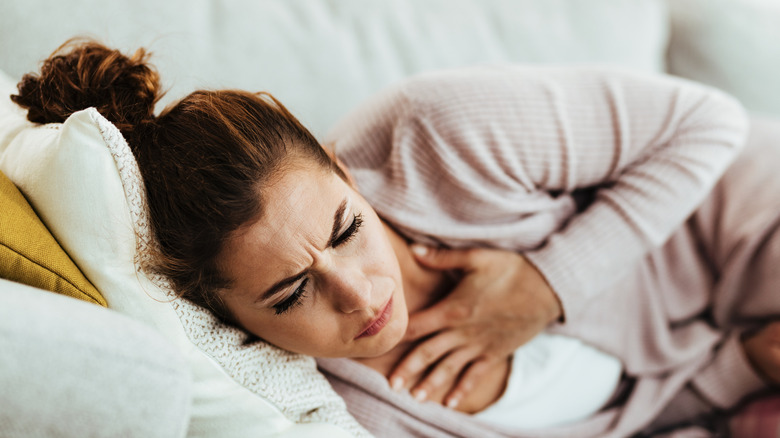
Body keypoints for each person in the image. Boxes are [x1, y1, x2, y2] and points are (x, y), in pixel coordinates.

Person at [11, 40, 780, 436]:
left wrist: (553, 281)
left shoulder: (434, 132)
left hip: (735, 213)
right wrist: (737, 371)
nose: (358, 293)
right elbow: (632, 410)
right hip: (730, 341)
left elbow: (707, 123)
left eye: (347, 228)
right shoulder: (367, 414)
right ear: (232, 320)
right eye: (290, 293)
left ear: (344, 169)